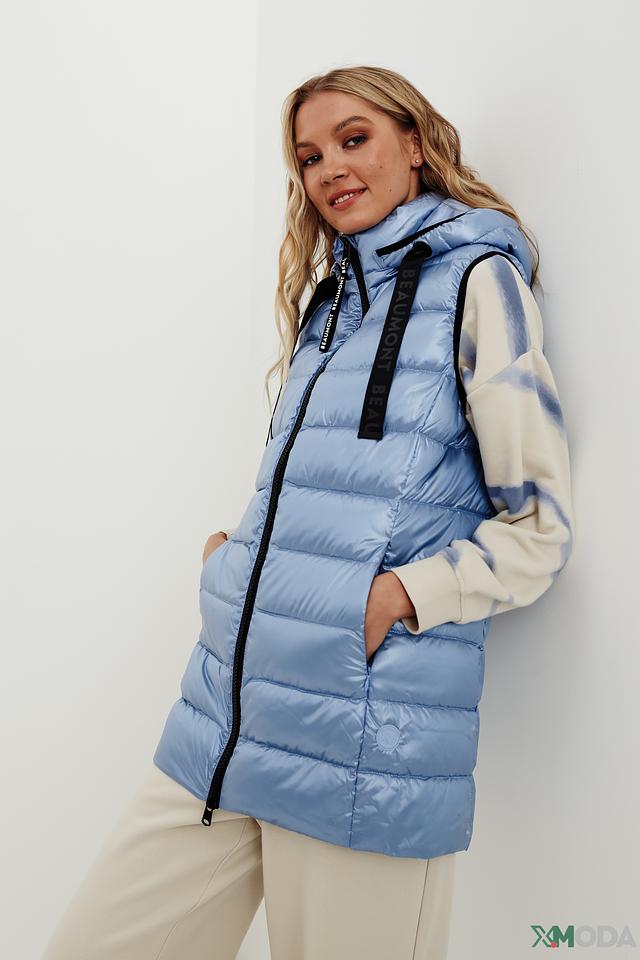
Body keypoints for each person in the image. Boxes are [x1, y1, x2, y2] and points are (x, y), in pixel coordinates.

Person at [42, 65, 575, 960]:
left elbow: (541, 530)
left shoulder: (478, 283)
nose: (331, 168)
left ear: (415, 142)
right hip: (224, 720)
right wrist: (232, 564)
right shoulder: (331, 301)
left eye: (353, 139)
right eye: (309, 156)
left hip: (362, 744)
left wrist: (397, 598)